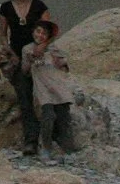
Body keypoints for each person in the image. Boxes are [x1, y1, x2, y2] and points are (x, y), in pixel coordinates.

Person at [0, 0, 51, 156]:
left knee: (46, 97)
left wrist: (40, 48)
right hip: (18, 59)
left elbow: (47, 32)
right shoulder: (5, 8)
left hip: (38, 57)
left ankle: (53, 137)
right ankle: (31, 141)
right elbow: (3, 35)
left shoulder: (39, 6)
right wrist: (10, 53)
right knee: (25, 99)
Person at [21, 18, 78, 157]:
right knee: (48, 116)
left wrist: (58, 60)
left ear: (48, 37)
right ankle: (45, 147)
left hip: (57, 87)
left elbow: (64, 66)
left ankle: (67, 147)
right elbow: (25, 71)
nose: (40, 35)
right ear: (33, 32)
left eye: (44, 34)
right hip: (42, 88)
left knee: (64, 117)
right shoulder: (27, 49)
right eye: (38, 31)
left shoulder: (54, 49)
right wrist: (30, 59)